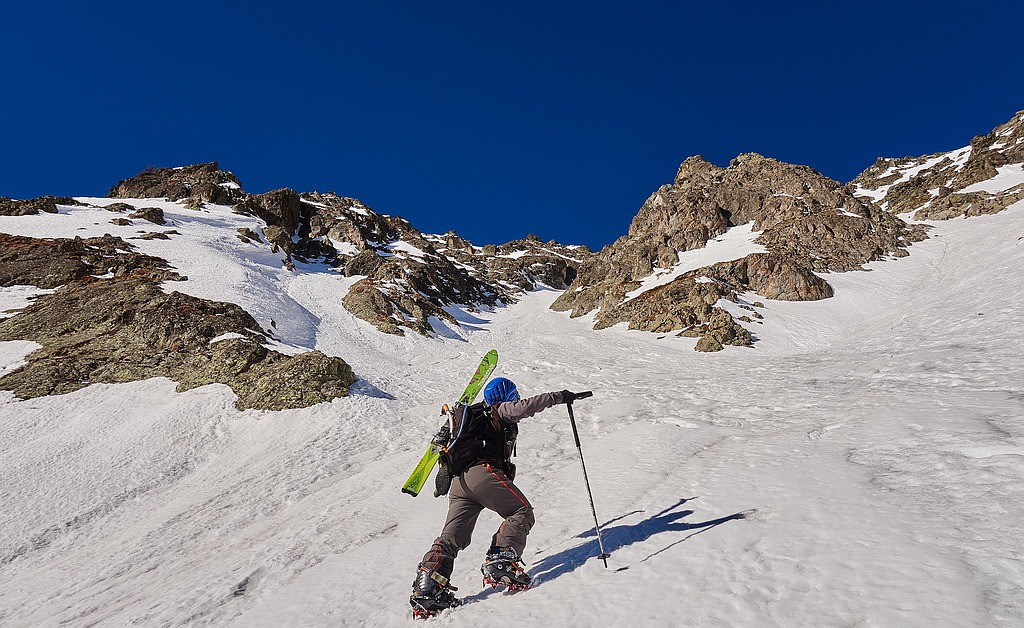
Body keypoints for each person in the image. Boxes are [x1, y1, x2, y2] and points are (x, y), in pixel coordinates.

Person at [409, 377, 581, 617]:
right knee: (521, 511)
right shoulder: (498, 410)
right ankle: (500, 560)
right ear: (505, 395)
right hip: (482, 474)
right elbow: (526, 406)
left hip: (460, 484)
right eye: (514, 394)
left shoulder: (470, 418)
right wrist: (560, 397)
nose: (517, 398)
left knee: (451, 537)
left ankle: (428, 587)